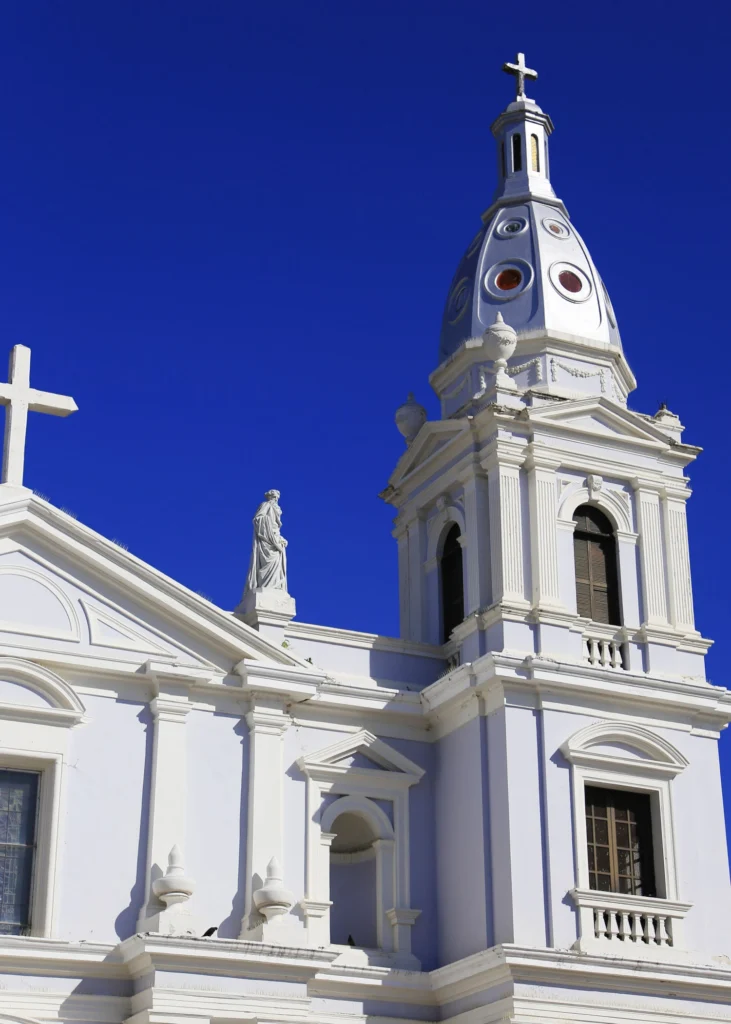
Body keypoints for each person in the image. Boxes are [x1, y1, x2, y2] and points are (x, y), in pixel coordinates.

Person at [243, 489, 288, 595]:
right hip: (266, 538)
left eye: (277, 497)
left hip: (276, 537)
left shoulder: (276, 508)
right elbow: (258, 519)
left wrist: (279, 538)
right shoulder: (266, 505)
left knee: (277, 563)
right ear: (270, 497)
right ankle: (266, 586)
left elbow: (276, 526)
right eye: (274, 497)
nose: (276, 499)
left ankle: (275, 587)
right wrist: (269, 530)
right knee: (268, 562)